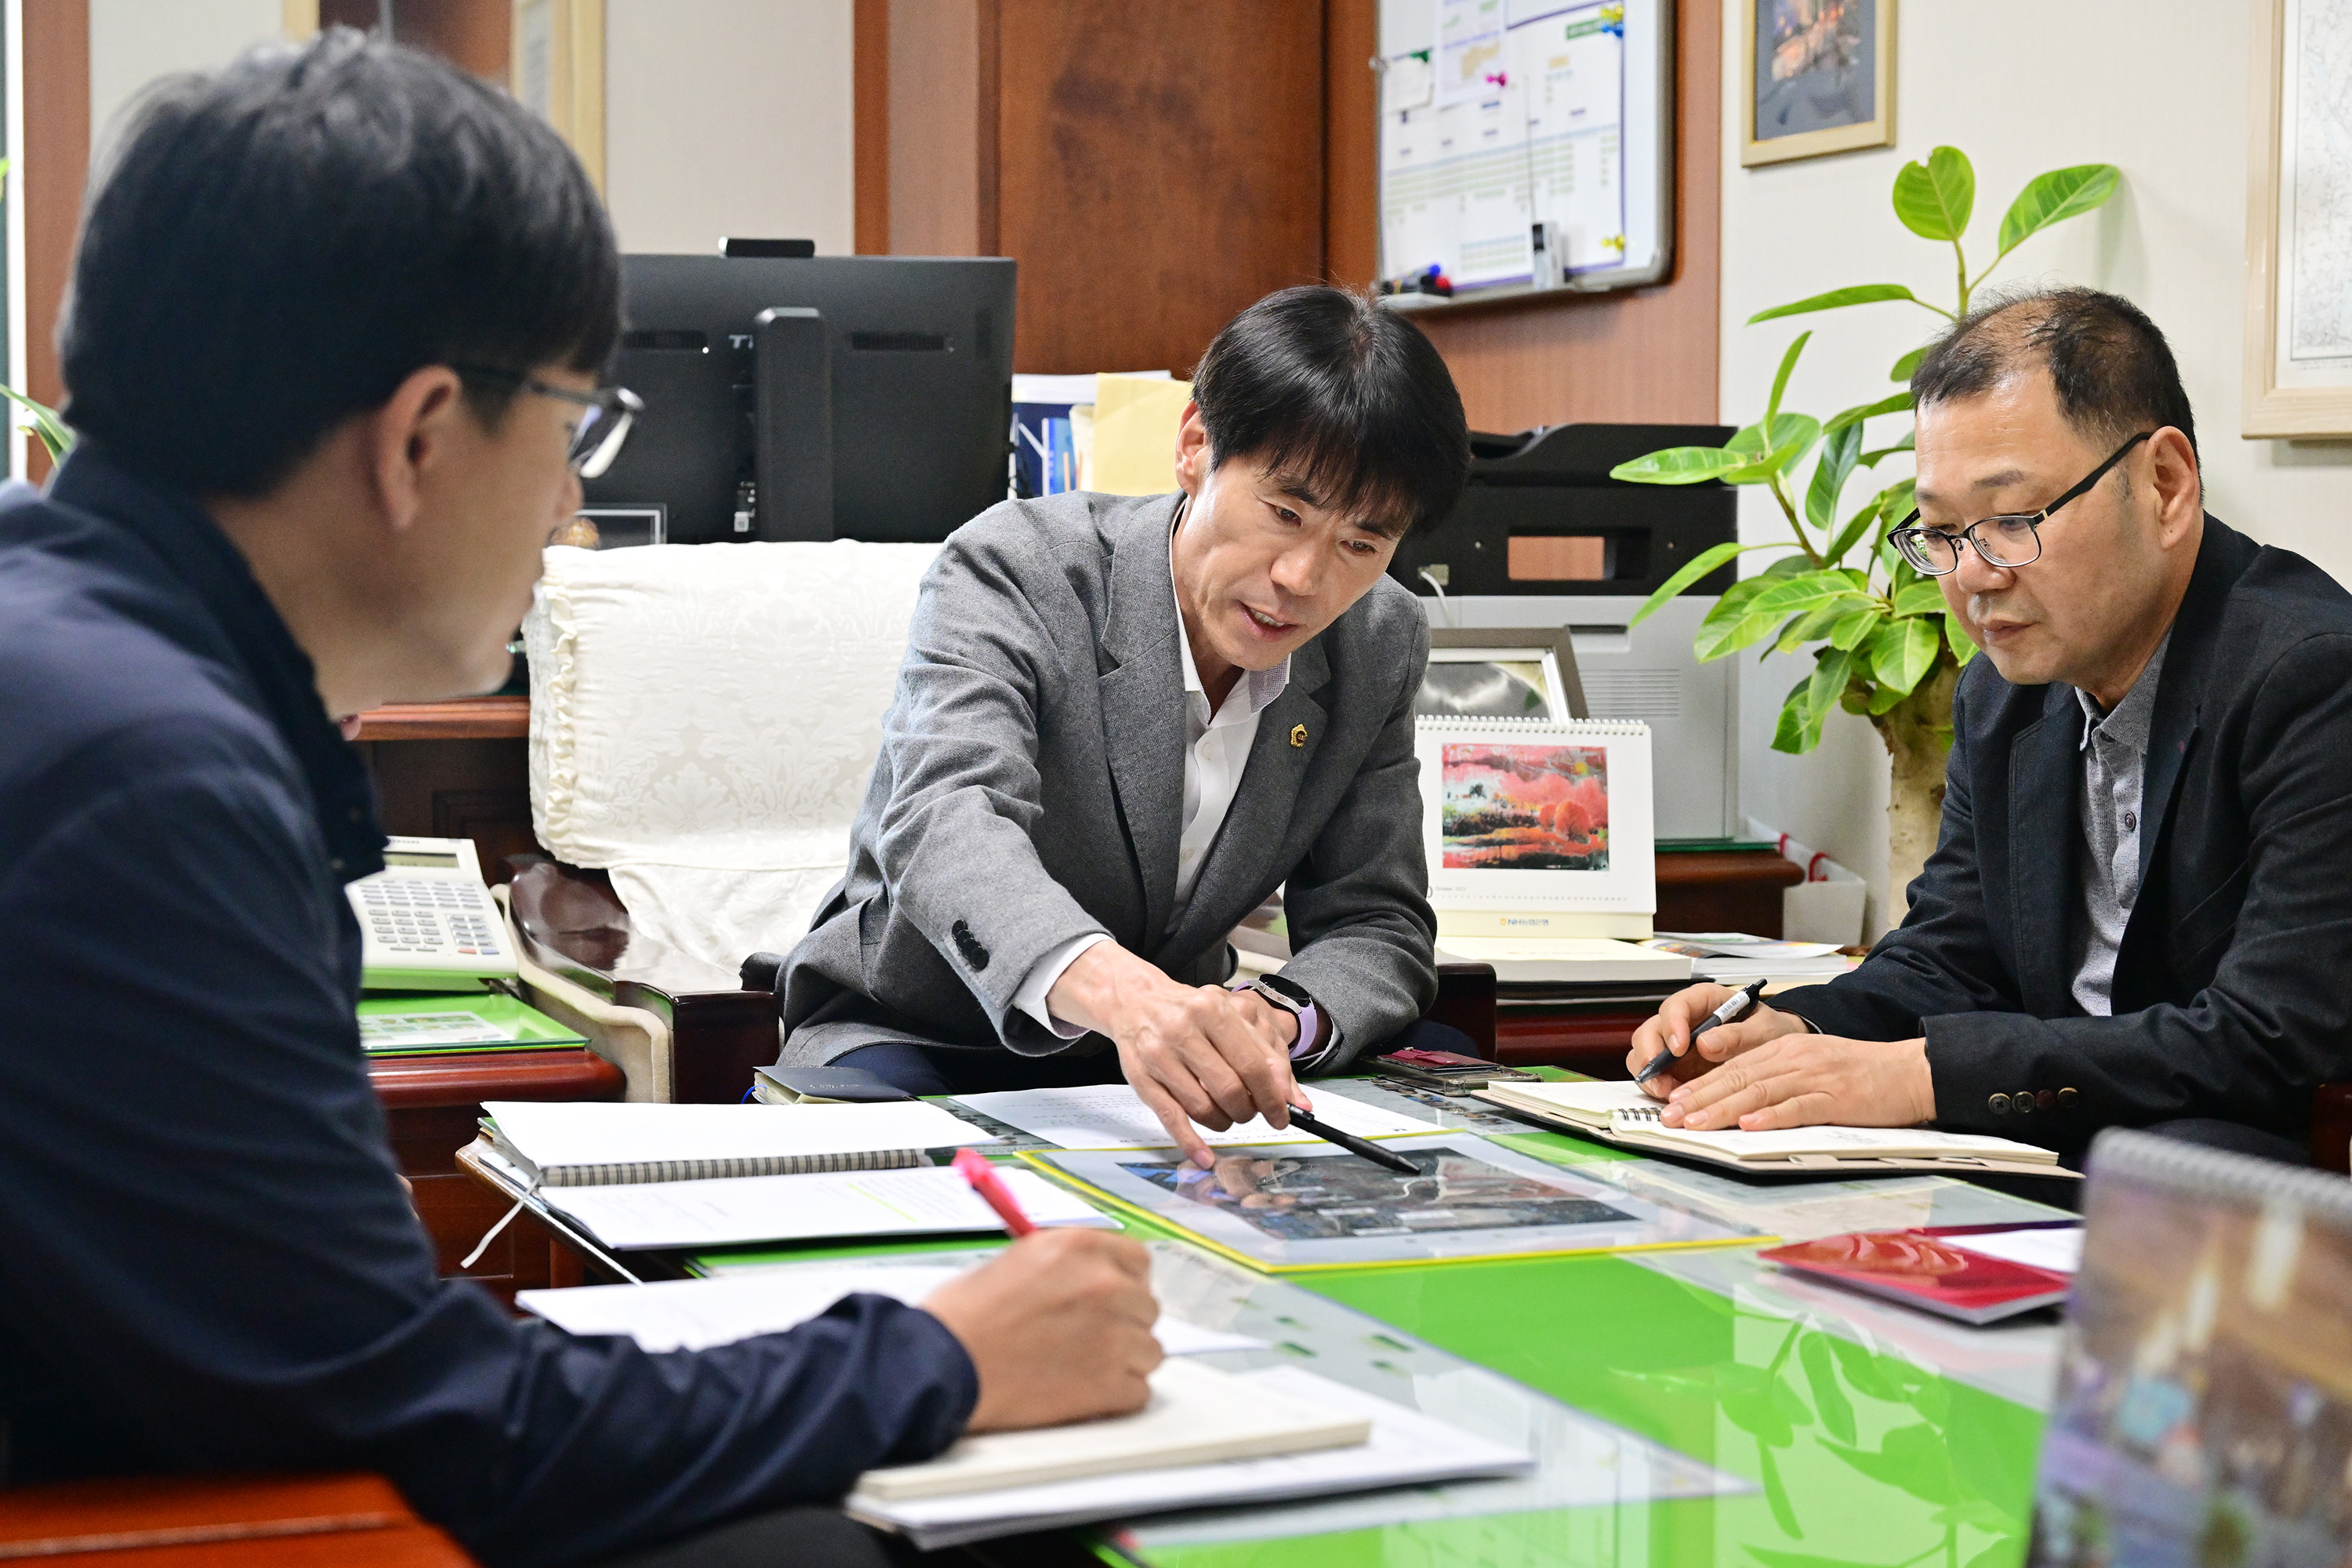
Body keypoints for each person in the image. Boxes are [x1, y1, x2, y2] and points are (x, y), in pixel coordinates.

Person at [0, 33, 1160, 1568]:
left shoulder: (67, 652)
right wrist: (943, 1357)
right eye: (572, 433)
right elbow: (443, 1425)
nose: (571, 510)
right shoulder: (149, 783)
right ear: (420, 438)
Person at [1628, 287, 2352, 1167]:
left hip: (2219, 1174)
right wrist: (1788, 1028)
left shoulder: (2314, 677)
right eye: (1941, 531)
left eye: (2011, 521)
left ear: (2165, 485)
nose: (1971, 575)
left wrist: (1923, 1078)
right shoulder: (2003, 691)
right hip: (2053, 1143)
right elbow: (1952, 955)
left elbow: (2275, 1034)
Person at [774, 286, 1473, 1166]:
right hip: (927, 1032)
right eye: (1285, 513)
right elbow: (945, 822)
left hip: (1172, 1064)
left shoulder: (1378, 638)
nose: (1302, 578)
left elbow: (1375, 919)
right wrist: (1129, 998)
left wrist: (1278, 1016)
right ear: (1196, 447)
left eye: (1360, 545)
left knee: (1451, 1110)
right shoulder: (1017, 566)